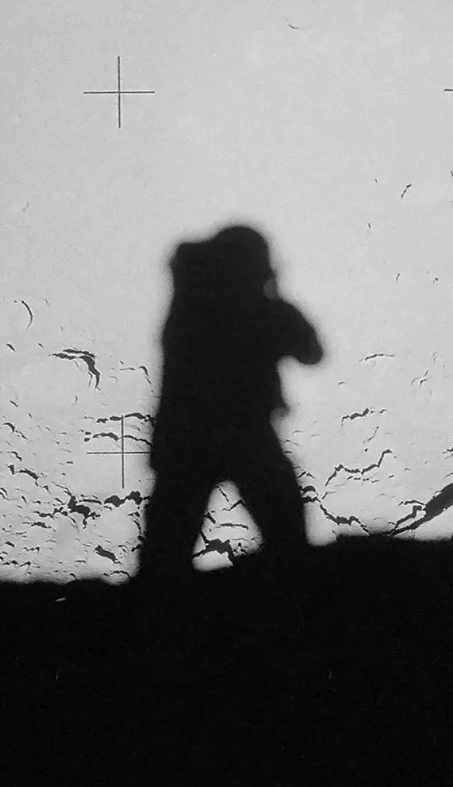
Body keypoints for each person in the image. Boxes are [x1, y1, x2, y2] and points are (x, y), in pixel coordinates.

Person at [136, 224, 324, 582]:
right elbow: (311, 351)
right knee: (287, 540)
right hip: (242, 432)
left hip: (185, 436)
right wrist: (274, 300)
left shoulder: (191, 304)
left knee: (164, 555)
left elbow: (310, 352)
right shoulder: (254, 309)